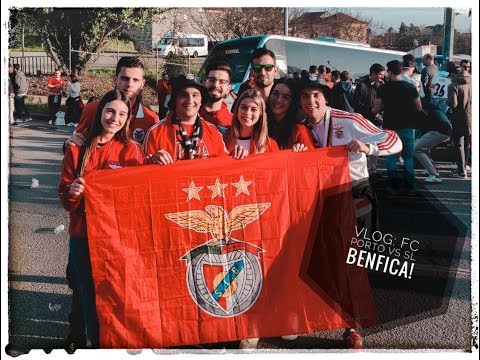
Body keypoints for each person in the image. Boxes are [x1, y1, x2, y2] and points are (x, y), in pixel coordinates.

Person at [290, 78, 402, 349]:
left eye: (316, 95)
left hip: (355, 192)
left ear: (326, 98)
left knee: (355, 258)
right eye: (305, 97)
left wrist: (368, 147)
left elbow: (393, 139)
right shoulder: (301, 128)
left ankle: (354, 326)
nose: (311, 102)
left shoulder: (348, 119)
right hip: (322, 198)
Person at [58, 90, 144, 349]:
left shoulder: (132, 151)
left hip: (117, 238)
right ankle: (96, 346)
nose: (114, 118)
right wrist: (73, 193)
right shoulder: (77, 148)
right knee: (89, 295)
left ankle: (117, 344)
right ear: (99, 112)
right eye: (110, 111)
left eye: (121, 114)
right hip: (84, 236)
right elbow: (65, 199)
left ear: (128, 119)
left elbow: (139, 196)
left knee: (118, 294)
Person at [67, 56, 159, 145]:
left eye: (135, 80)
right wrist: (68, 144)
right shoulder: (92, 109)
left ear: (142, 84)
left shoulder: (151, 118)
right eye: (125, 78)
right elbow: (76, 143)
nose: (129, 84)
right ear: (115, 79)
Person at [143, 75, 228, 163]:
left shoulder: (213, 131)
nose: (190, 101)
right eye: (184, 95)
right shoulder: (155, 132)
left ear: (201, 100)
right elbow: (141, 171)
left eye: (195, 95)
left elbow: (226, 166)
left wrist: (238, 155)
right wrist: (152, 161)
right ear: (175, 99)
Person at [374, 60, 422, 195]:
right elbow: (419, 107)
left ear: (389, 71)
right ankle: (409, 185)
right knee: (408, 156)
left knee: (390, 156)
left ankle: (393, 184)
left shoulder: (383, 88)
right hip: (407, 125)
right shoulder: (410, 87)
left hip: (389, 126)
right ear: (400, 70)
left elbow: (375, 108)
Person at [225, 89, 279, 158]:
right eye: (244, 107)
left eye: (254, 109)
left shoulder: (270, 145)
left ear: (260, 114)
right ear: (237, 109)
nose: (248, 113)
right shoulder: (223, 138)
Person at [447, 64, 472, 178]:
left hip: (459, 117)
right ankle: (466, 166)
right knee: (467, 144)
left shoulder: (453, 85)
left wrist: (446, 102)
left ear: (453, 74)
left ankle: (461, 171)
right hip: (471, 116)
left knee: (459, 144)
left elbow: (453, 103)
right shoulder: (472, 82)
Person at [200, 61, 234, 135]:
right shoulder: (190, 113)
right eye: (212, 80)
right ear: (203, 83)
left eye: (222, 82)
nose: (216, 85)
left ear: (228, 88)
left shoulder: (233, 122)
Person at [266, 77, 299, 149]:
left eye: (285, 97)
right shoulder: (259, 122)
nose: (278, 100)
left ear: (292, 101)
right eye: (275, 94)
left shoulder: (298, 131)